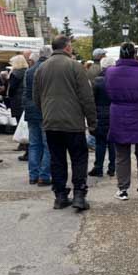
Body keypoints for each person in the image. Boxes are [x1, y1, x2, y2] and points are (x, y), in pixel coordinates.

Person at [33, 35, 97, 211]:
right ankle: (79, 194)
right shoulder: (74, 66)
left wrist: (46, 112)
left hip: (51, 122)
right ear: (67, 47)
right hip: (72, 122)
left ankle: (60, 195)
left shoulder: (41, 68)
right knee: (79, 158)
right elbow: (86, 97)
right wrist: (92, 122)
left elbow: (36, 97)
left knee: (57, 159)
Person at [105, 42, 138, 200]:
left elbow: (108, 92)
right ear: (135, 54)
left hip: (118, 114)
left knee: (121, 153)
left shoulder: (110, 72)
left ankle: (122, 188)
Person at [23, 45, 52, 186]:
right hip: (45, 110)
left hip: (31, 110)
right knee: (47, 144)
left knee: (34, 144)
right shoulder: (49, 69)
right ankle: (44, 175)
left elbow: (26, 93)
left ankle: (33, 175)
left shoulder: (29, 71)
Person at [90, 56, 117, 177]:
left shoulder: (97, 81)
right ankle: (112, 168)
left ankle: (98, 167)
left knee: (100, 143)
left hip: (100, 114)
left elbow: (92, 99)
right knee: (112, 143)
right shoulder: (117, 81)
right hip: (114, 113)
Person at [7, 54, 29, 160]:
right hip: (25, 99)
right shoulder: (27, 71)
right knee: (24, 123)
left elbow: (12, 88)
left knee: (19, 122)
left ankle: (23, 143)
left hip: (16, 99)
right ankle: (24, 144)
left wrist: (8, 95)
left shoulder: (15, 73)